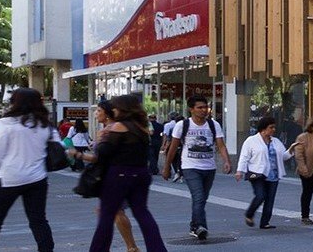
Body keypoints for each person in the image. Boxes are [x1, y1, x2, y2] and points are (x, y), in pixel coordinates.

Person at [0, 87, 59, 252]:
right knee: (38, 220)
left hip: (8, 179)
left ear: (16, 103)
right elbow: (59, 146)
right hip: (37, 178)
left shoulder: (6, 123)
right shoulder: (46, 125)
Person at [84, 94, 169, 252]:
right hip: (141, 174)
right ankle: (157, 249)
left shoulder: (118, 127)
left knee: (106, 217)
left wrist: (82, 153)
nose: (113, 111)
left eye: (115, 108)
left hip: (119, 175)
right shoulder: (142, 127)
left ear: (122, 109)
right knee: (143, 214)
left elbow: (103, 154)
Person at [161, 95, 230, 241]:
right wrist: (167, 167)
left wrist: (226, 161)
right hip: (190, 167)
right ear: (191, 109)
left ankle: (194, 225)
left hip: (209, 167)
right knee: (198, 197)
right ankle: (200, 226)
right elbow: (172, 148)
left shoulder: (213, 125)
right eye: (200, 107)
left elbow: (221, 145)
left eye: (205, 107)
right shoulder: (182, 125)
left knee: (202, 199)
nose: (204, 110)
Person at [237, 116, 290, 229]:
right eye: (271, 127)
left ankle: (265, 222)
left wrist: (293, 150)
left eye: (274, 127)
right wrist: (240, 171)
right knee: (260, 195)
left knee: (270, 199)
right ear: (263, 128)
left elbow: (283, 156)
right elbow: (244, 157)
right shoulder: (251, 141)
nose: (273, 130)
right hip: (256, 173)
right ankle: (249, 214)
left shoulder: (276, 142)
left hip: (273, 174)